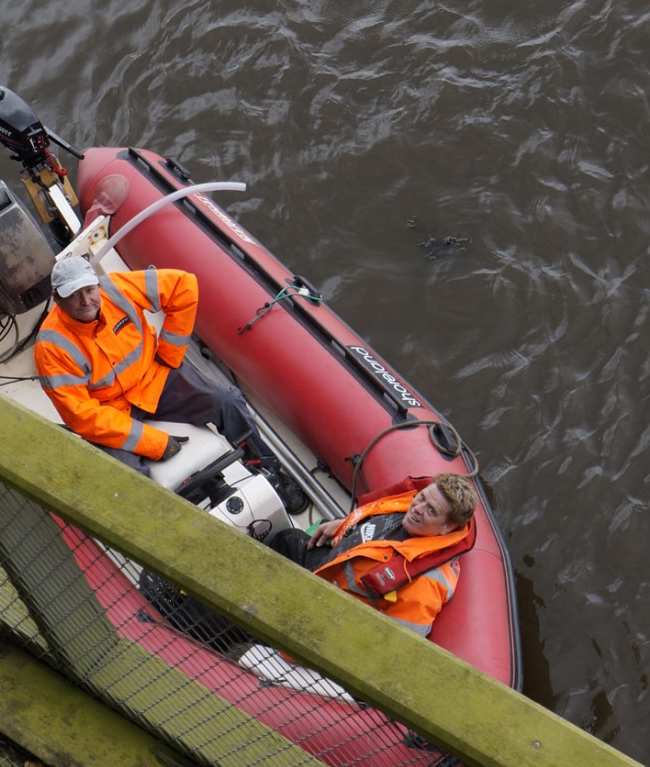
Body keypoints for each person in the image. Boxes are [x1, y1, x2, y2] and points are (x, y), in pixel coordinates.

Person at [34, 254, 306, 507]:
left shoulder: (117, 288)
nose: (86, 301)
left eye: (89, 290)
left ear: (97, 285)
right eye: (74, 295)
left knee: (226, 402)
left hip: (155, 378)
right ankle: (171, 519)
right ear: (58, 300)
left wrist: (169, 353)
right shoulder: (51, 347)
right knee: (127, 477)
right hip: (111, 413)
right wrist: (155, 443)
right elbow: (83, 416)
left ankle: (267, 468)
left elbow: (183, 286)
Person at [267, 473, 477, 636]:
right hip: (332, 570)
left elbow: (394, 642)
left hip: (333, 613)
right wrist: (343, 525)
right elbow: (372, 528)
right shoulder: (408, 511)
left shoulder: (425, 584)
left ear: (447, 528)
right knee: (288, 539)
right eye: (421, 498)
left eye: (431, 511)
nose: (418, 508)